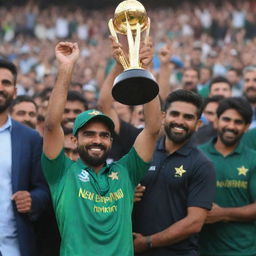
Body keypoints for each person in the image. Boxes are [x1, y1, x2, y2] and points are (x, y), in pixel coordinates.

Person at [41, 41, 161, 256]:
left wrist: (145, 70)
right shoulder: (61, 172)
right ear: (74, 140)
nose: (97, 140)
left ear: (111, 141)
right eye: (88, 134)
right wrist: (66, 68)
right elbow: (51, 125)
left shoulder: (126, 171)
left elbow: (152, 129)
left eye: (104, 135)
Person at [132, 89, 216, 256]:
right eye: (175, 114)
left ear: (198, 125)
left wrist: (148, 242)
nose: (180, 121)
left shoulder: (202, 164)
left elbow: (194, 222)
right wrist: (127, 193)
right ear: (163, 117)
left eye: (188, 117)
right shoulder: (144, 152)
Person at [0, 59, 50, 256]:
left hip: (13, 248)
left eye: (6, 83)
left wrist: (32, 199)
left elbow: (43, 189)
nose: (0, 88)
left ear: (14, 91)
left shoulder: (29, 138)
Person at [199, 97, 256, 256]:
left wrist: (223, 213)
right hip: (201, 249)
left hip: (243, 250)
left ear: (246, 127)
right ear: (216, 121)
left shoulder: (253, 159)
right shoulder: (197, 155)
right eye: (226, 119)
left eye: (238, 122)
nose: (231, 126)